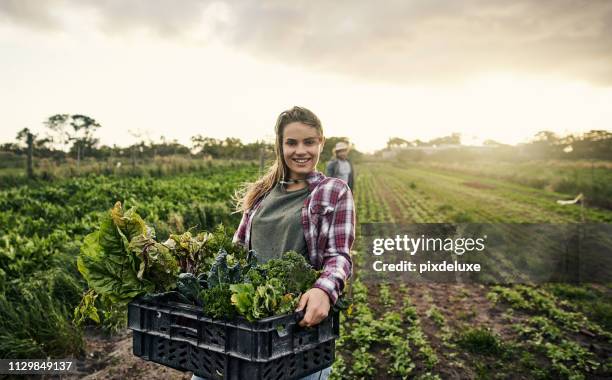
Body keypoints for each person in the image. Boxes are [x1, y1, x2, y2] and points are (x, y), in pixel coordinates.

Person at [191, 106, 355, 380]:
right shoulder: (261, 194)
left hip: (296, 332)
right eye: (291, 142)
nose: (300, 150)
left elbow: (339, 255)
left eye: (309, 142)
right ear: (280, 145)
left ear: (321, 143)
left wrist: (323, 291)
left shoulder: (333, 191)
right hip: (246, 326)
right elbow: (237, 250)